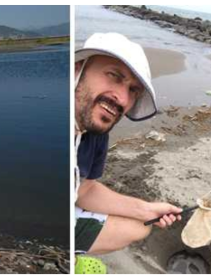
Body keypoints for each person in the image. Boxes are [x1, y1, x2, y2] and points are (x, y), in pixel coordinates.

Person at [75, 33, 182, 255]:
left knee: (138, 227)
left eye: (133, 90)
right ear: (77, 69)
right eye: (114, 75)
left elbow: (84, 190)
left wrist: (146, 210)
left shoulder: (97, 130)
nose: (122, 100)